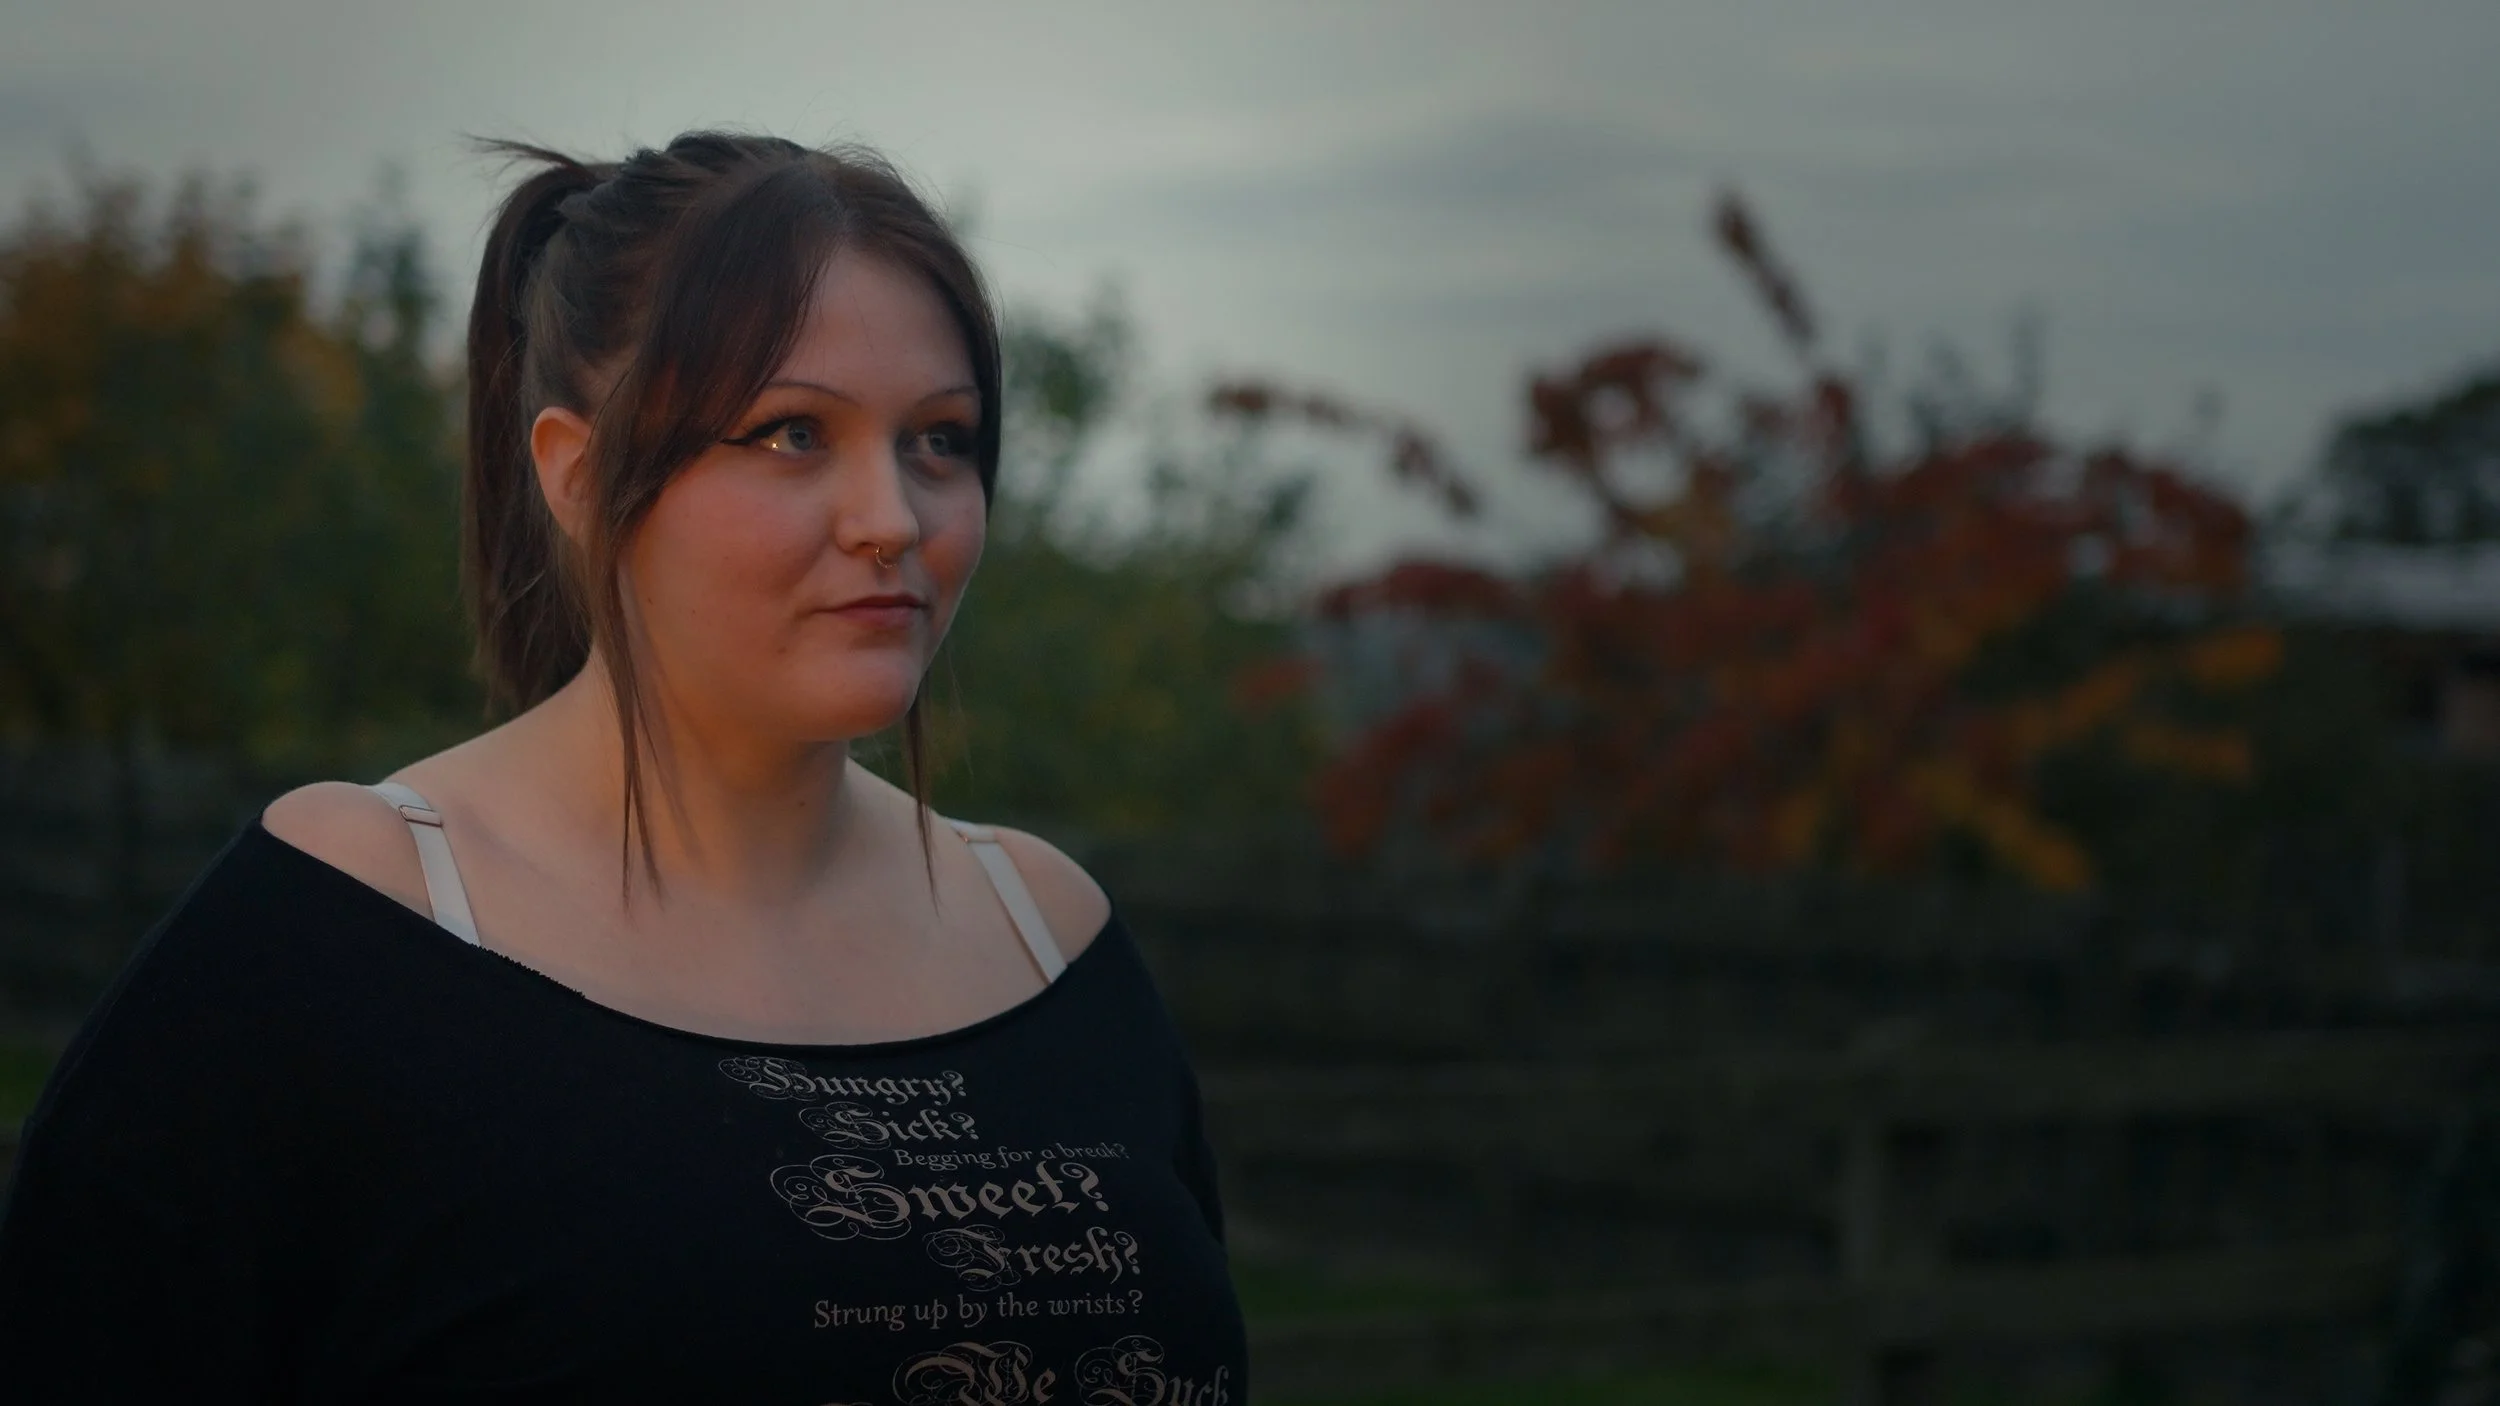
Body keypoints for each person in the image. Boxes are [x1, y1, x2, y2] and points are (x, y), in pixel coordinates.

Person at [0, 131, 1248, 1404]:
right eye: (790, 433)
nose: (893, 517)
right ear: (579, 473)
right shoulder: (337, 936)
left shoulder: (1049, 931)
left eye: (940, 438)